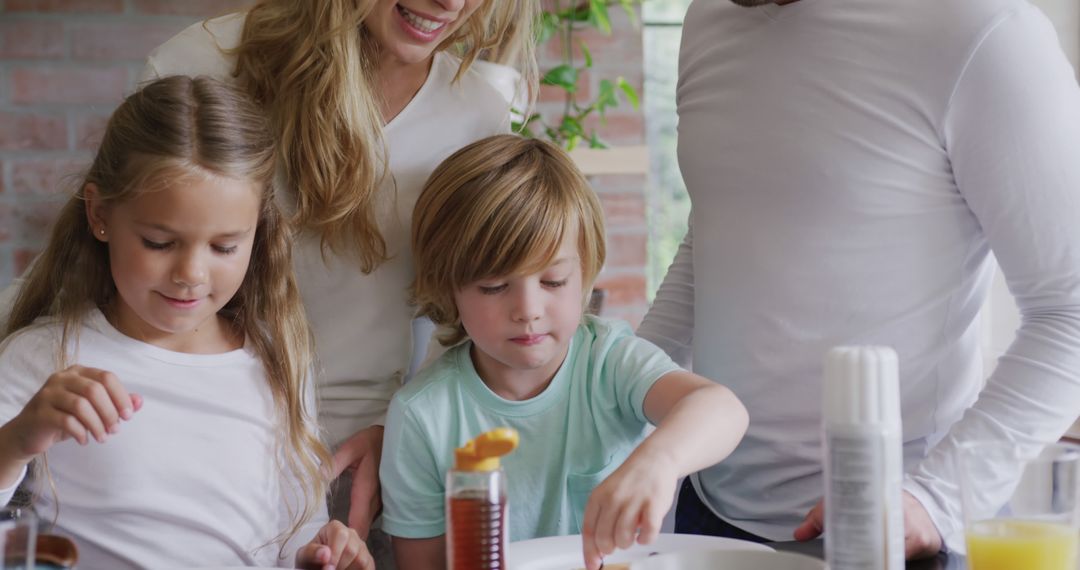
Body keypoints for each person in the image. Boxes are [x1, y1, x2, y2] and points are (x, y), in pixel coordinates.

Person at [636, 0, 1080, 558]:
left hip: (899, 528)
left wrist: (933, 501)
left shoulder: (985, 30)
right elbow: (721, 232)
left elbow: (1069, 311)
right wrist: (611, 398)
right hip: (704, 515)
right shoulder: (708, 18)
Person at [135, 0, 539, 548]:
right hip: (187, 433)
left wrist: (401, 429)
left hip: (357, 460)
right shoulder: (205, 61)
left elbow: (463, 312)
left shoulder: (476, 114)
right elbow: (121, 251)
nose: (452, 4)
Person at [0, 76, 373, 570]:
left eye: (224, 247)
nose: (191, 276)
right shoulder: (44, 357)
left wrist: (318, 555)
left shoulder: (276, 363)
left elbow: (290, 534)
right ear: (99, 214)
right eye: (159, 242)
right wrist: (18, 440)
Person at [380, 134, 750, 570]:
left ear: (586, 273)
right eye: (494, 287)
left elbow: (721, 409)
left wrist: (658, 462)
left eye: (553, 281)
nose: (528, 311)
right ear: (450, 287)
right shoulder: (422, 416)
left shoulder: (609, 362)